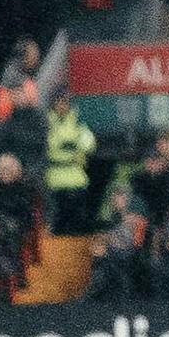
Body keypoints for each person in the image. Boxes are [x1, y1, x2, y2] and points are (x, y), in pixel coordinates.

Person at [44, 93, 95, 237]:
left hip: (75, 177)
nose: (62, 105)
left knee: (76, 221)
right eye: (58, 102)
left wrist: (72, 146)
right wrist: (69, 144)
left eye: (65, 102)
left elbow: (88, 142)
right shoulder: (46, 122)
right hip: (53, 178)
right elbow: (48, 144)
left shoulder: (78, 120)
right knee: (56, 220)